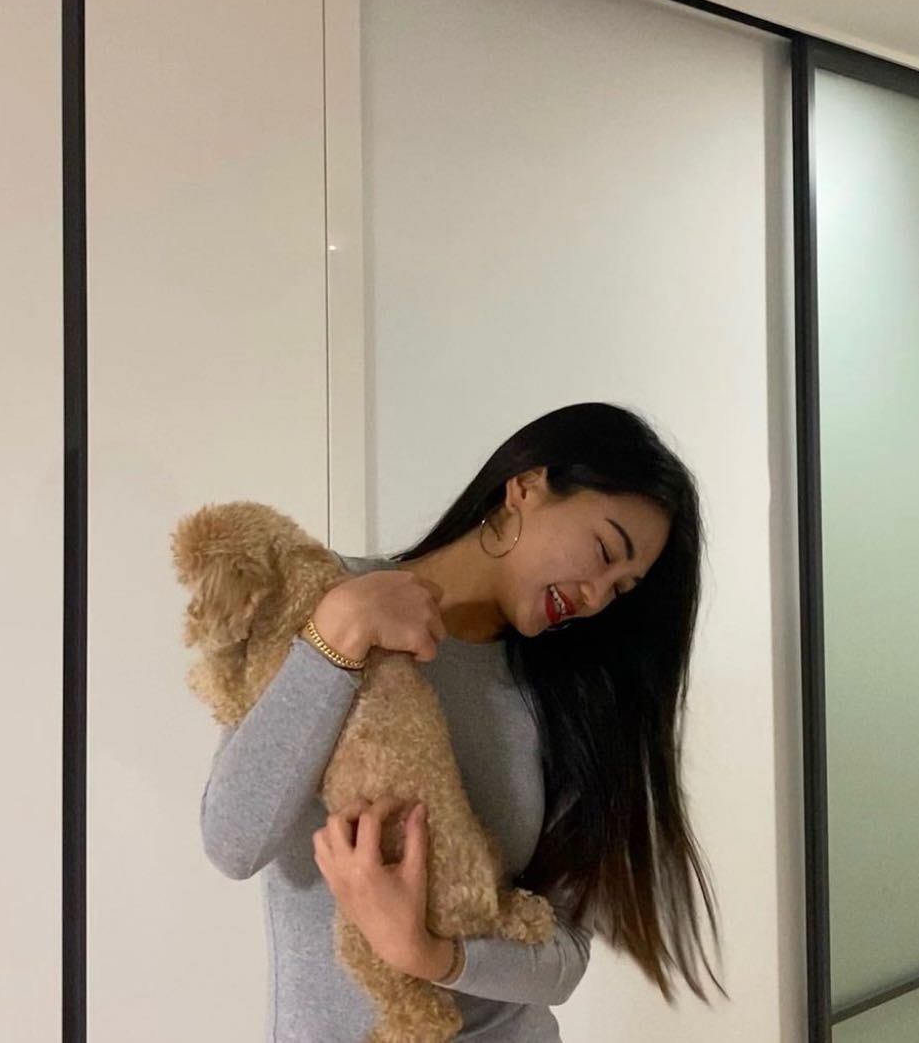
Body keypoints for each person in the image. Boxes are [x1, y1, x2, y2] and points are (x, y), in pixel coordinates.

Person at [201, 402, 726, 1040]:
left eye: (621, 588)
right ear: (527, 486)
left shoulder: (569, 698)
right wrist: (336, 637)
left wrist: (427, 953)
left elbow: (564, 955)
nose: (594, 597)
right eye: (603, 550)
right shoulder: (322, 597)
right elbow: (233, 841)